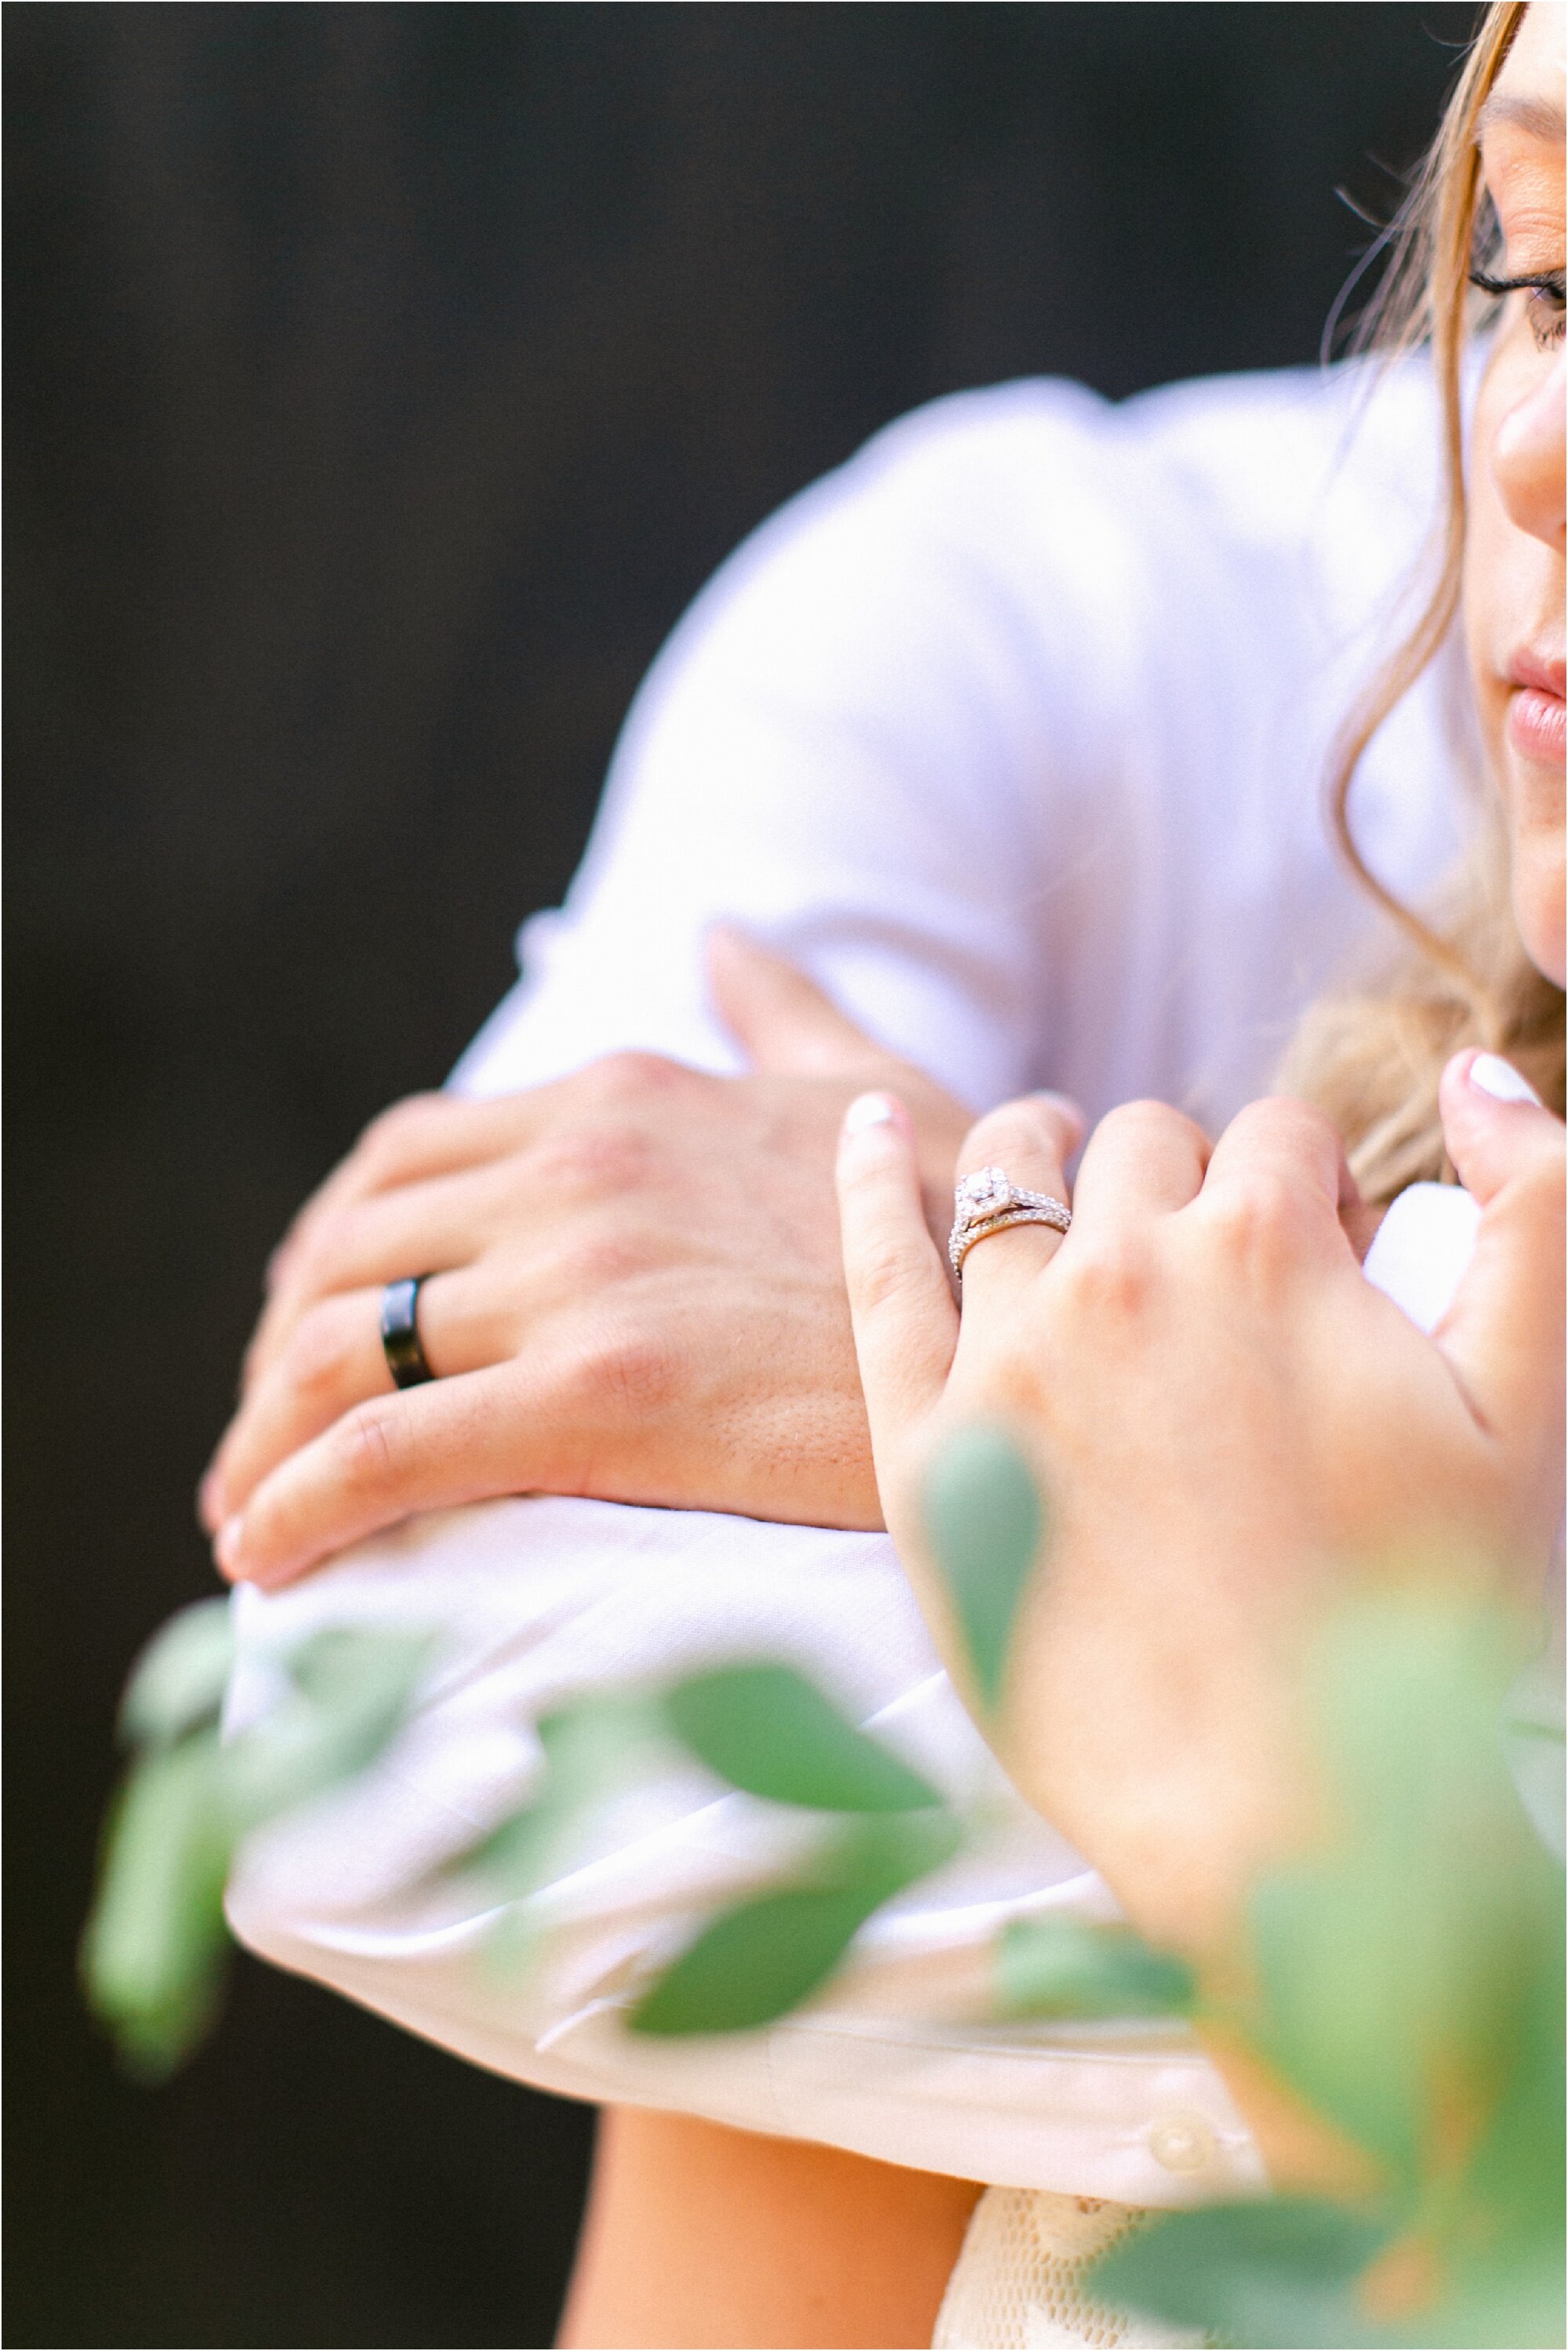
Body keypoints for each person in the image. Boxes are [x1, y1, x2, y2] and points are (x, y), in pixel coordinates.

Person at [217, 4, 1563, 2342]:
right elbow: (357, 1655)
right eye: (1529, 261)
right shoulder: (1074, 621)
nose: (1517, 447)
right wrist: (1059, 1383)